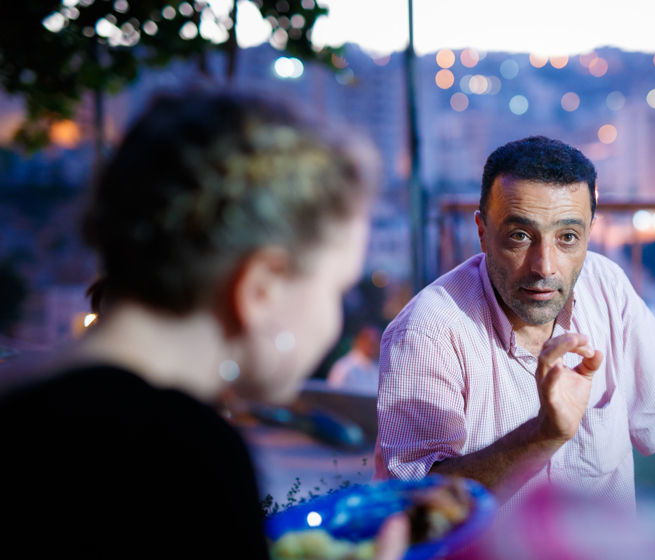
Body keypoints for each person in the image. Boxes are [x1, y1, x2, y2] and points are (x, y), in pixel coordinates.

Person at [0, 92, 407, 559]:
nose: (337, 317)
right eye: (338, 289)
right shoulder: (176, 455)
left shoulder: (23, 398)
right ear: (261, 289)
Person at [376, 137, 655, 528]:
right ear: (482, 231)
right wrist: (542, 435)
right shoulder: (427, 332)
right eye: (520, 236)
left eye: (567, 237)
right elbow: (410, 505)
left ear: (590, 233)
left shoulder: (606, 285)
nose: (545, 266)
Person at [327, 325, 382, 393]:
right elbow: (334, 397)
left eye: (377, 343)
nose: (375, 347)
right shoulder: (343, 367)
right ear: (359, 341)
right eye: (372, 343)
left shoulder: (377, 368)